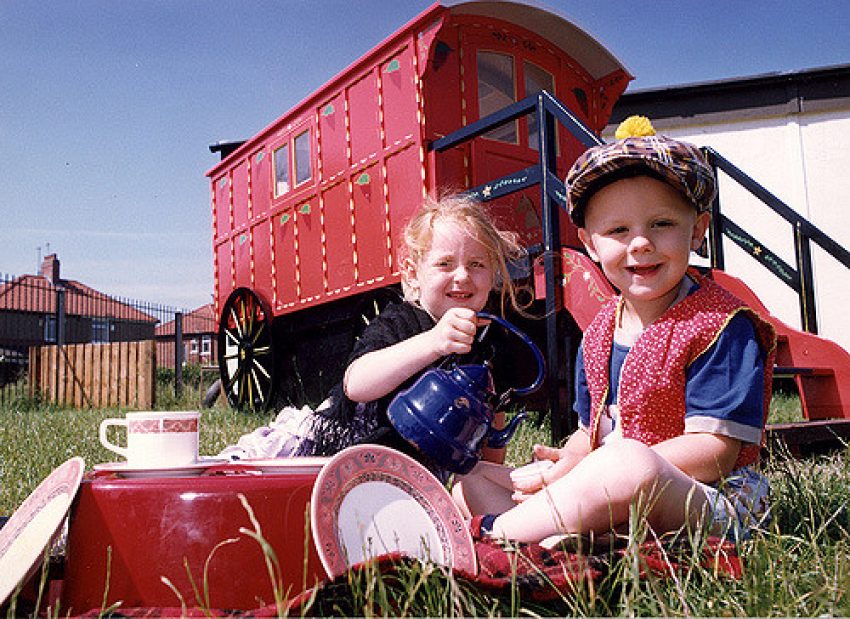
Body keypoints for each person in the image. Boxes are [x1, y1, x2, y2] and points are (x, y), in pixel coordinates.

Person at [452, 116, 777, 544]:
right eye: (618, 230)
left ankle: (495, 534)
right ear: (590, 243)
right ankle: (573, 529)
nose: (640, 243)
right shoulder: (601, 329)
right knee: (474, 479)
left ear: (696, 230)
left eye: (661, 224)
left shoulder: (719, 326)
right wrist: (570, 460)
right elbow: (592, 432)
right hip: (611, 480)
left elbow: (714, 453)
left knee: (629, 464)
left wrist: (595, 469)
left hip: (706, 498)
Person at [220, 192, 527, 480]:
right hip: (334, 453)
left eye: (476, 265)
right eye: (444, 264)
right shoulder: (402, 320)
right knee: (242, 481)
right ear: (412, 273)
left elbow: (488, 445)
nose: (462, 276)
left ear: (493, 274)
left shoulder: (489, 347)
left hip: (402, 475)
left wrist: (488, 478)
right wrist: (434, 342)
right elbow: (356, 384)